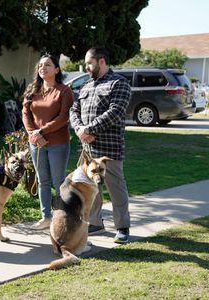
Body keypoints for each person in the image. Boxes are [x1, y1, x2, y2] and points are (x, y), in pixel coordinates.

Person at [69, 47, 131, 244]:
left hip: (110, 149)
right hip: (88, 151)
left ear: (102, 61)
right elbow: (74, 110)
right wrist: (80, 128)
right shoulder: (86, 86)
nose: (86, 67)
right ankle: (95, 222)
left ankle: (122, 227)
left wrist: (89, 130)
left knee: (116, 188)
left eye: (89, 63)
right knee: (91, 187)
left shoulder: (119, 83)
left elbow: (116, 111)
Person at [22, 54, 74, 229]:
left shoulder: (64, 91)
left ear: (57, 69)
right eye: (40, 66)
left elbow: (63, 117)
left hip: (58, 143)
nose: (42, 68)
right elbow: (25, 114)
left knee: (58, 181)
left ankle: (61, 218)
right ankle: (46, 218)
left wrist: (41, 131)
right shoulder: (32, 91)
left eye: (48, 65)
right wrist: (33, 134)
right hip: (36, 142)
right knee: (42, 180)